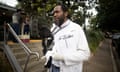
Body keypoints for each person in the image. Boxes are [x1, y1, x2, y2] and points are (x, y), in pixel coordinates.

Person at [41, 3, 90, 72]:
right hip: (52, 68)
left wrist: (62, 57)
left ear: (66, 13)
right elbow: (52, 47)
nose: (54, 15)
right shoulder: (54, 29)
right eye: (54, 13)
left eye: (57, 12)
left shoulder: (76, 28)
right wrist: (48, 54)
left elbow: (85, 54)